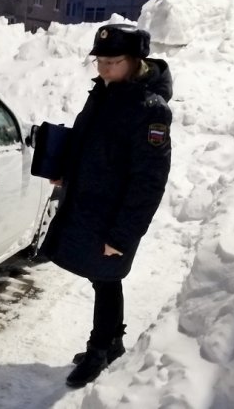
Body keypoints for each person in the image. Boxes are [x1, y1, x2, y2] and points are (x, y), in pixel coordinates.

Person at [39, 22, 173, 388]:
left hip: (114, 214)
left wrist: (122, 235)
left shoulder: (150, 110)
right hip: (90, 206)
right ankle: (112, 343)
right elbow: (87, 140)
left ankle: (98, 351)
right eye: (99, 61)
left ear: (135, 62)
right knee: (104, 279)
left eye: (112, 62)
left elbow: (149, 181)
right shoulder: (103, 92)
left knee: (106, 277)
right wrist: (64, 169)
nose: (103, 69)